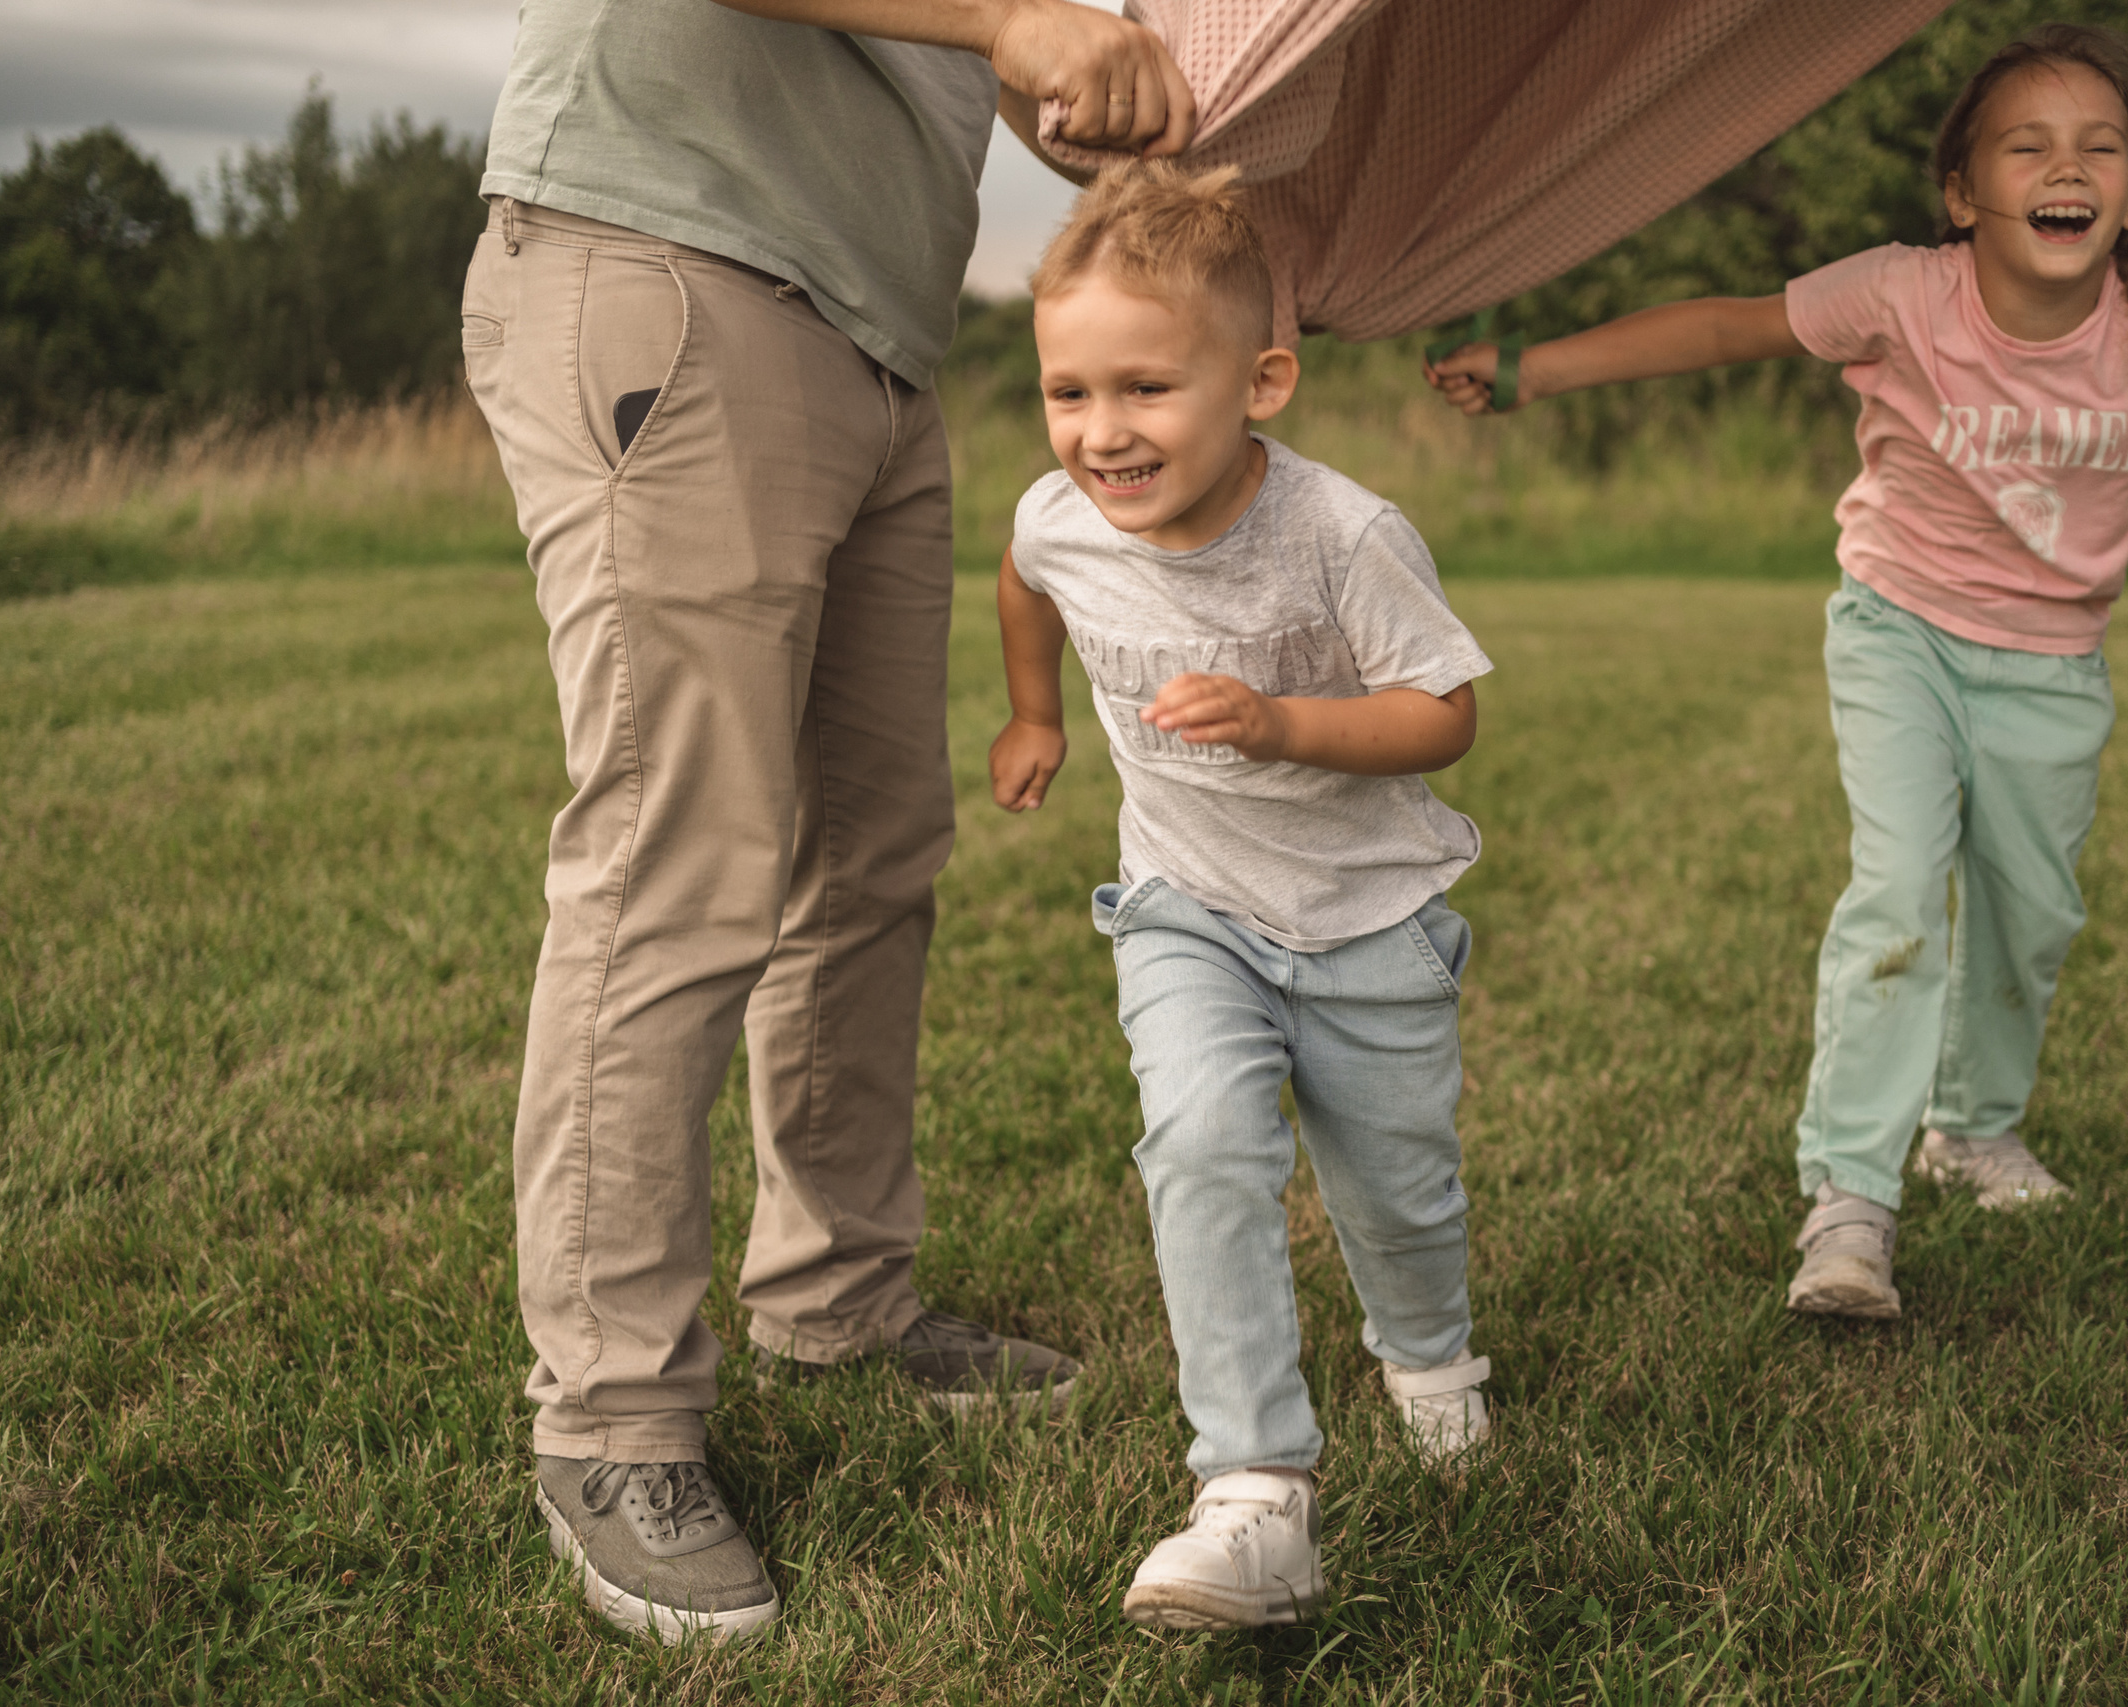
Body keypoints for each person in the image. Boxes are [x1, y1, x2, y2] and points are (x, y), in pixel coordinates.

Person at [460, 0, 1195, 1645]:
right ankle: (610, 1419)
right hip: (678, 252)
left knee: (872, 855)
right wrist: (1023, 21)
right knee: (682, 853)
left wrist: (1055, 84)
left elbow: (979, 67)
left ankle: (836, 1298)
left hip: (874, 336)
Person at [1425, 24, 2128, 1320]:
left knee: (2031, 917)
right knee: (1894, 894)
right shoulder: (1901, 292)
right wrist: (1537, 367)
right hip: (1901, 633)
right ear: (1962, 193)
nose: (2068, 166)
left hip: (2052, 666)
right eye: (2028, 144)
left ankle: (1973, 1130)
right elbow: (1722, 328)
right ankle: (1851, 1205)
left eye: (2100, 148)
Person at [990, 162, 1496, 1630]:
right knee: (1203, 1144)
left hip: (1367, 920)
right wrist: (1038, 718)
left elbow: (1443, 711)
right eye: (1067, 393)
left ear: (1261, 379)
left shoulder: (1343, 534)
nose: (1101, 434)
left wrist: (1284, 723)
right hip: (1187, 906)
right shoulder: (1062, 513)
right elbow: (1024, 576)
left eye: (1145, 388)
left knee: (1396, 1191)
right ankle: (1254, 1487)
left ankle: (1430, 1361)